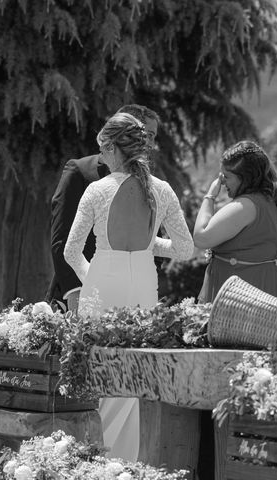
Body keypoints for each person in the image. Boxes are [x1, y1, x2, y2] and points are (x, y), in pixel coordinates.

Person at [63, 112, 193, 461]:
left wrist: (94, 279)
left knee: (101, 378)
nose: (101, 157)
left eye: (102, 149)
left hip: (102, 286)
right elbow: (185, 249)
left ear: (110, 147)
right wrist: (148, 244)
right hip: (142, 289)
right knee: (136, 378)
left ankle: (100, 462)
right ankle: (130, 463)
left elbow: (71, 251)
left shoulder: (97, 190)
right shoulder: (162, 190)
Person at [47, 105, 161, 312]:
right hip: (80, 297)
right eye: (145, 134)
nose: (149, 143)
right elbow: (62, 239)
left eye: (152, 136)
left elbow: (153, 242)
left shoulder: (150, 183)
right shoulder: (80, 172)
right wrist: (76, 293)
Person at [193, 140, 277, 333]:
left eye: (227, 176)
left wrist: (209, 197)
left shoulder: (245, 207)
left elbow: (201, 238)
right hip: (275, 289)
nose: (222, 181)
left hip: (247, 299)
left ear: (246, 178)